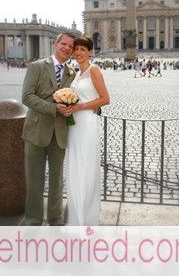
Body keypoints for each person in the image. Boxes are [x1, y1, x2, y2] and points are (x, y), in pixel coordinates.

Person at [20, 32, 76, 226]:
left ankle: (55, 217)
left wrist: (71, 109)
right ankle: (33, 219)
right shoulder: (37, 66)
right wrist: (54, 108)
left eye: (71, 46)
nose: (67, 48)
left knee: (57, 181)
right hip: (36, 131)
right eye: (64, 44)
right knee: (34, 180)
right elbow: (27, 97)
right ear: (55, 44)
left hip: (59, 132)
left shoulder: (72, 73)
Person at [65, 36, 110, 226]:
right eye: (76, 49)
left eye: (83, 49)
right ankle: (75, 219)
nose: (79, 53)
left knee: (86, 170)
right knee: (75, 170)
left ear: (90, 52)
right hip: (73, 127)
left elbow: (105, 99)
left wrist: (79, 107)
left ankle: (88, 220)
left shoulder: (94, 70)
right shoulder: (75, 74)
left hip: (87, 125)